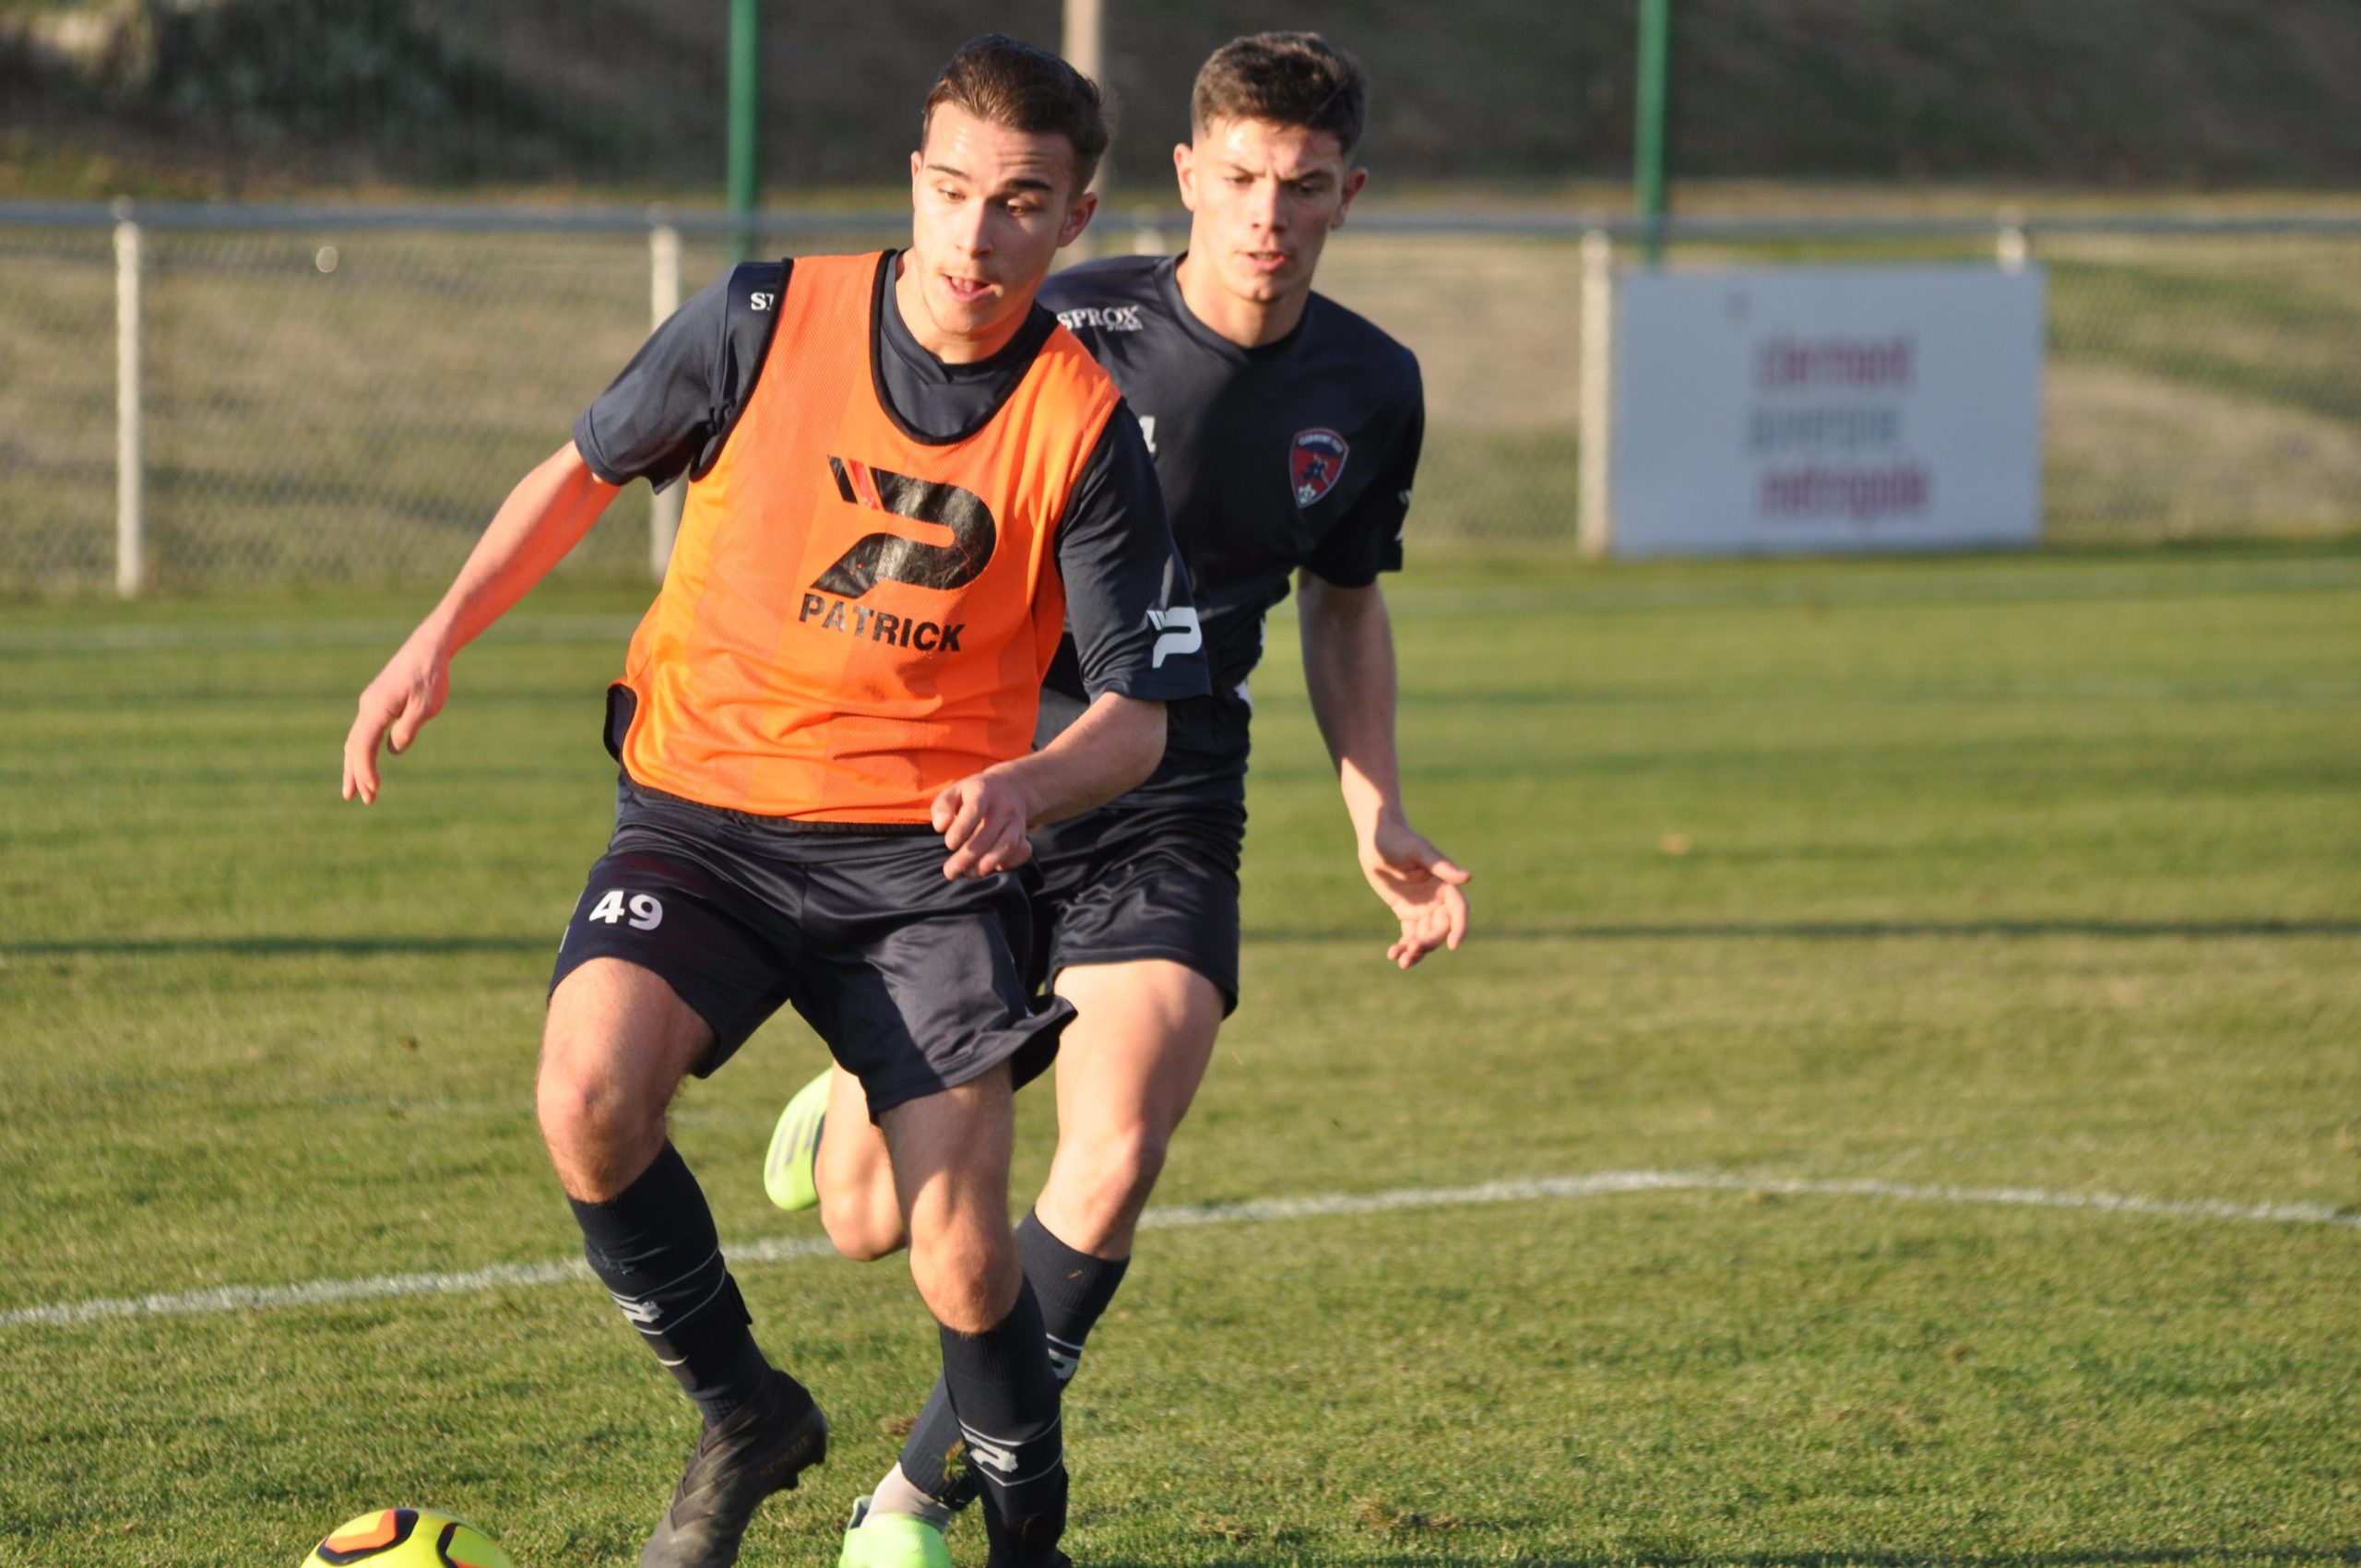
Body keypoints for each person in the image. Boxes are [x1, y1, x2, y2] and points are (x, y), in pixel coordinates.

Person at [341, 35, 1205, 1568]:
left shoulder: (1081, 426)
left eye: (1019, 203)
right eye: (951, 191)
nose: (974, 236)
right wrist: (435, 636)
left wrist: (1027, 780)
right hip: (703, 818)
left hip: (920, 869)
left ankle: (1025, 1544)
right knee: (587, 1099)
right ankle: (746, 1408)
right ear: (915, 181)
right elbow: (584, 468)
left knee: (951, 1249)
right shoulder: (764, 315)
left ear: (1074, 221)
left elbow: (1139, 719)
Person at [766, 32, 1472, 1568]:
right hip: (982, 776)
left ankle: (909, 1508)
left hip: (1174, 793)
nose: (1266, 218)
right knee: (868, 1223)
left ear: (1349, 193)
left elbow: (1344, 608)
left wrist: (1378, 813)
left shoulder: (1371, 386)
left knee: (1118, 1151)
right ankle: (859, 1095)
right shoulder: (1064, 317)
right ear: (1184, 179)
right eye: (1237, 182)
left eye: (1300, 188)